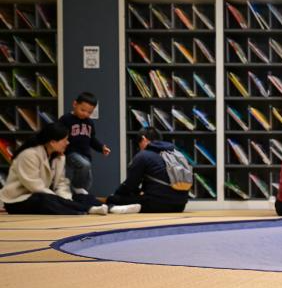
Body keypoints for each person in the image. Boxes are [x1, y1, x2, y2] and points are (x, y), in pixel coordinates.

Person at [0, 122, 135, 215]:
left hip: (47, 195)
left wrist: (66, 198)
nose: (68, 142)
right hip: (19, 201)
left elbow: (61, 183)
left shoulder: (59, 157)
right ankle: (88, 209)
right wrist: (61, 200)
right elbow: (35, 187)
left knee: (80, 196)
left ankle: (109, 208)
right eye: (65, 140)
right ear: (53, 142)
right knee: (44, 200)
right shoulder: (29, 155)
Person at [107, 128, 190, 213]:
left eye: (139, 143)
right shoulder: (176, 154)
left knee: (113, 199)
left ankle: (124, 207)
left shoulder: (143, 155)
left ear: (143, 138)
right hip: (180, 205)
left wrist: (116, 194)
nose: (140, 147)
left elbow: (130, 184)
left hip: (156, 204)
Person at [58, 91, 110, 194]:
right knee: (84, 165)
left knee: (88, 179)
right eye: (82, 110)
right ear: (75, 104)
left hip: (85, 154)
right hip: (71, 152)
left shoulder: (89, 122)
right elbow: (59, 136)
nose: (85, 114)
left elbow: (92, 139)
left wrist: (101, 148)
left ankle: (80, 196)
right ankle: (76, 187)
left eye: (89, 112)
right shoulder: (66, 119)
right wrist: (59, 151)